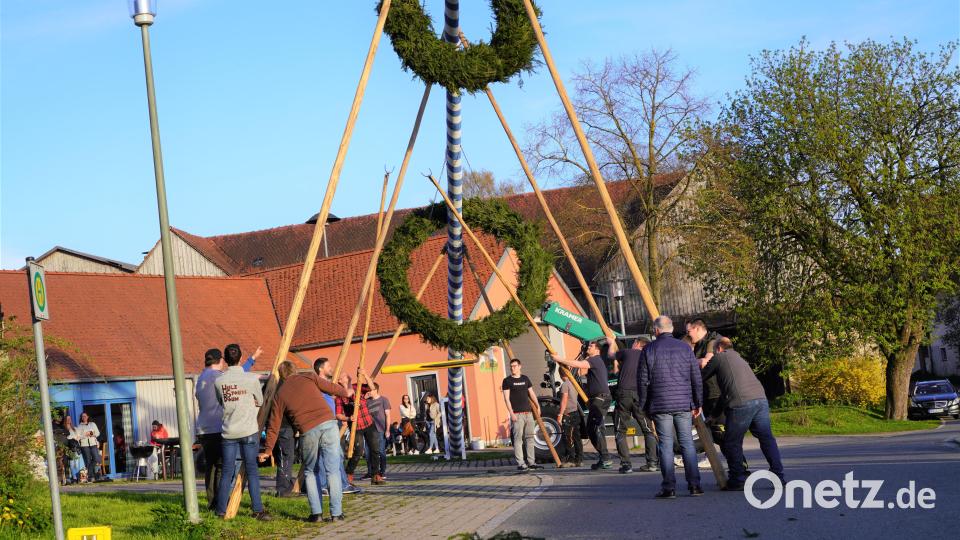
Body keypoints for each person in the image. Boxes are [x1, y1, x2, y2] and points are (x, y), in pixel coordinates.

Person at [259, 360, 353, 523]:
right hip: (329, 424)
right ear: (295, 370)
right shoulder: (309, 376)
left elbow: (273, 425)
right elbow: (331, 387)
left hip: (308, 430)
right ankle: (336, 514)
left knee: (311, 471)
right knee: (333, 471)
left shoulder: (279, 395)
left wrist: (268, 450)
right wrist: (347, 392)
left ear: (281, 375)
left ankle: (316, 514)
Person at [704, 338, 784, 490]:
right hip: (760, 399)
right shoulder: (739, 359)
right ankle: (778, 476)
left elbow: (702, 375)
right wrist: (714, 415)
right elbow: (726, 394)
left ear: (719, 348)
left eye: (714, 351)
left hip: (741, 403)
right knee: (766, 438)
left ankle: (737, 479)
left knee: (731, 441)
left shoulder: (719, 358)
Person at [637, 315, 704, 499]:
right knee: (687, 444)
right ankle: (695, 486)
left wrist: (643, 406)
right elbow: (695, 377)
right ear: (672, 329)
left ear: (656, 330)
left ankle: (669, 488)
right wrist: (698, 402)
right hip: (683, 403)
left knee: (665, 445)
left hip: (660, 405)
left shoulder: (649, 349)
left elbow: (642, 381)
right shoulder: (685, 348)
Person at [195, 346, 261, 509]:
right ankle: (221, 502)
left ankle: (214, 504)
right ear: (221, 361)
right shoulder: (218, 377)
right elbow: (237, 377)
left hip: (203, 428)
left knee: (211, 466)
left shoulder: (201, 378)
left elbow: (233, 376)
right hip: (219, 427)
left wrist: (252, 358)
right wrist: (251, 360)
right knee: (222, 467)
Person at [215, 343, 270, 521]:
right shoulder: (252, 379)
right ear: (240, 358)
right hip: (248, 430)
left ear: (225, 360)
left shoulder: (219, 381)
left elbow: (220, 401)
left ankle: (221, 510)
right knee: (252, 471)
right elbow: (260, 401)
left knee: (227, 472)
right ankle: (257, 509)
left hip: (229, 431)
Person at [553, 340, 613, 470]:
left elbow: (579, 364)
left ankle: (606, 458)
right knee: (591, 429)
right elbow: (582, 370)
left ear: (597, 349)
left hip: (601, 398)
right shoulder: (593, 361)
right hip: (596, 398)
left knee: (597, 428)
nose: (588, 347)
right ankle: (603, 457)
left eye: (591, 346)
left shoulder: (595, 359)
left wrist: (560, 358)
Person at [313, 358, 360, 496]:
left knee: (325, 455)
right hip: (326, 423)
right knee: (335, 454)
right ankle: (341, 485)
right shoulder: (321, 383)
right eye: (328, 366)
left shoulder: (322, 384)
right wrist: (351, 383)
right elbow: (347, 393)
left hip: (326, 422)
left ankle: (324, 486)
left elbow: (334, 396)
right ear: (321, 369)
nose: (331, 368)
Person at [613, 336, 659, 474]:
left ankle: (626, 465)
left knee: (620, 430)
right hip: (640, 394)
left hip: (624, 394)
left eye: (633, 342)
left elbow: (612, 354)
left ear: (637, 343)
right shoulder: (649, 356)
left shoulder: (628, 352)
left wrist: (611, 342)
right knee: (648, 429)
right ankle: (651, 463)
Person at [337, 373, 385, 485]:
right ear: (340, 380)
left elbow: (372, 388)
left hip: (368, 423)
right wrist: (348, 417)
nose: (345, 375)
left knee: (375, 450)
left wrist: (364, 374)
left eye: (345, 374)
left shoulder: (357, 386)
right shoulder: (340, 395)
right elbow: (338, 414)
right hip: (355, 427)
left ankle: (375, 475)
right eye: (343, 375)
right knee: (358, 452)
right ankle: (348, 474)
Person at [500, 358, 543, 471]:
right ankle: (521, 464)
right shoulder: (507, 381)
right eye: (511, 366)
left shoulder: (525, 379)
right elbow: (506, 399)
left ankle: (531, 462)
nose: (512, 368)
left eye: (515, 366)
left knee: (530, 438)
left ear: (520, 366)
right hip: (517, 415)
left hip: (528, 413)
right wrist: (511, 413)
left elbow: (531, 393)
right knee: (518, 439)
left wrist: (537, 406)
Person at [270, 362, 298, 498]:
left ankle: (285, 484)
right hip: (284, 427)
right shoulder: (285, 388)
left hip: (279, 427)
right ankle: (283, 488)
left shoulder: (272, 386)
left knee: (285, 457)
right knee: (285, 458)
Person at [556, 367, 583, 468]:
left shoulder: (565, 385)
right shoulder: (573, 383)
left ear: (560, 374)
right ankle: (579, 459)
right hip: (575, 412)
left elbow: (564, 400)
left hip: (568, 414)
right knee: (577, 437)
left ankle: (571, 460)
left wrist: (560, 414)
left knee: (568, 438)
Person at [365, 383, 391, 479]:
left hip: (380, 429)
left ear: (375, 390)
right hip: (368, 430)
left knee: (380, 451)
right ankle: (370, 472)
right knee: (367, 452)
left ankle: (382, 472)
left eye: (369, 390)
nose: (368, 391)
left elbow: (388, 415)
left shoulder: (384, 400)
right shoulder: (367, 401)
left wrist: (387, 429)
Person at [75, 412, 102, 482]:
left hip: (93, 444)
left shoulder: (92, 424)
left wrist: (91, 433)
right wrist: (85, 434)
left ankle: (88, 473)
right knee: (88, 461)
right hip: (84, 445)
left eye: (85, 416)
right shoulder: (79, 426)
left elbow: (98, 433)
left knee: (96, 458)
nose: (84, 417)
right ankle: (91, 477)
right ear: (81, 418)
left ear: (87, 416)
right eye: (82, 416)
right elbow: (78, 437)